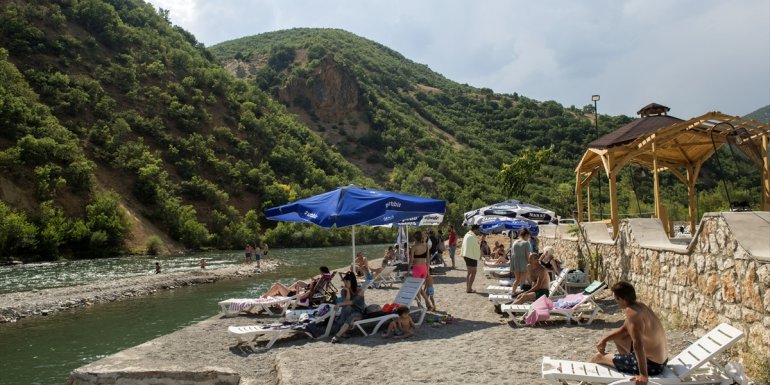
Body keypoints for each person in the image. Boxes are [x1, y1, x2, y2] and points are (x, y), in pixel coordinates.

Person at [591, 281, 669, 385]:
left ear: (620, 298)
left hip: (652, 366)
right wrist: (604, 340)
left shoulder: (632, 313)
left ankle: (586, 381)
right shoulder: (640, 307)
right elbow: (624, 330)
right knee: (619, 339)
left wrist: (643, 375)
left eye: (616, 299)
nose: (616, 302)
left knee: (598, 357)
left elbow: (638, 344)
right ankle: (626, 362)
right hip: (662, 361)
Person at [331, 272, 366, 343]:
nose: (345, 283)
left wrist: (339, 304)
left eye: (347, 281)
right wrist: (347, 291)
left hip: (360, 312)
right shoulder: (344, 291)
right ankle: (343, 332)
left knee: (351, 314)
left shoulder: (360, 291)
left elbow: (352, 302)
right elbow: (346, 301)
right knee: (347, 307)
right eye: (344, 281)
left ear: (352, 281)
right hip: (348, 311)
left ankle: (337, 335)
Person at [263, 266, 331, 299]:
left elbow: (298, 298)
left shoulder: (309, 291)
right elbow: (302, 293)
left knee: (277, 284)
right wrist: (297, 290)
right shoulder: (310, 291)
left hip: (291, 295)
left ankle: (265, 296)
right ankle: (267, 295)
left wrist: (298, 291)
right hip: (292, 293)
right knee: (278, 286)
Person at [510, 228, 532, 293]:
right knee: (524, 280)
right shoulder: (526, 243)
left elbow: (513, 254)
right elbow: (527, 255)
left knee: (517, 280)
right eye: (528, 236)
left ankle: (513, 292)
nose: (528, 238)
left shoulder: (515, 242)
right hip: (524, 264)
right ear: (526, 235)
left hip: (516, 263)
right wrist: (530, 263)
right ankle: (525, 294)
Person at [461, 225, 481, 293]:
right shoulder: (472, 236)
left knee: (469, 272)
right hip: (471, 256)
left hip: (466, 255)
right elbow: (476, 246)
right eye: (478, 230)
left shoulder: (467, 234)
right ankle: (469, 288)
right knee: (473, 272)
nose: (479, 231)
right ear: (475, 229)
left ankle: (468, 287)